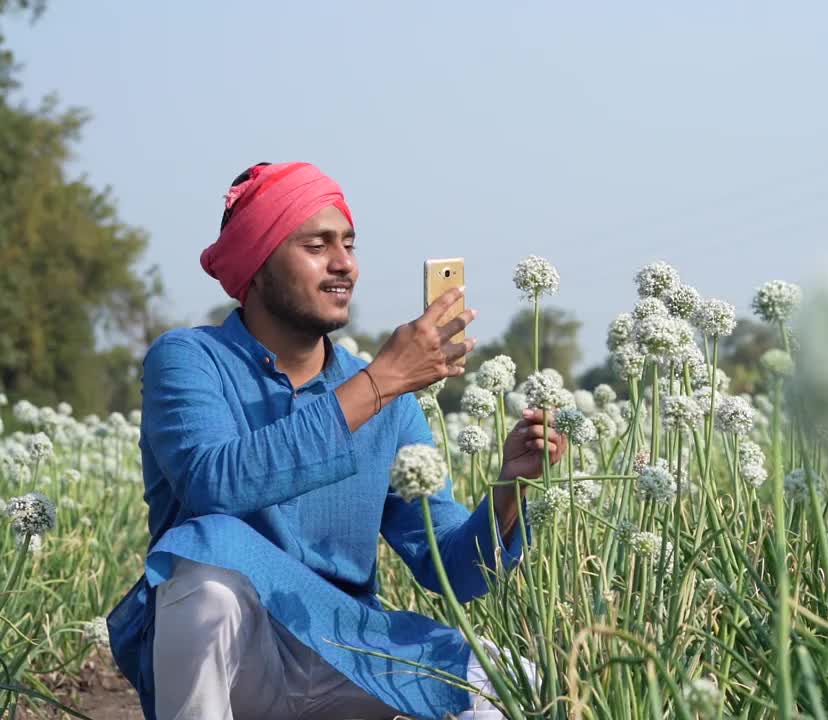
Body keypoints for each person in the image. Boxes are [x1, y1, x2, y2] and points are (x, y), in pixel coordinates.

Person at [106, 161, 562, 719]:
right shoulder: (188, 358)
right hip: (241, 659)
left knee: (513, 686)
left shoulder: (384, 397)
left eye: (348, 244)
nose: (344, 263)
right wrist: (382, 381)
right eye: (316, 246)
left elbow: (454, 570)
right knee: (206, 570)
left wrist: (508, 490)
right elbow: (213, 483)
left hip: (349, 651)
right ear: (260, 262)